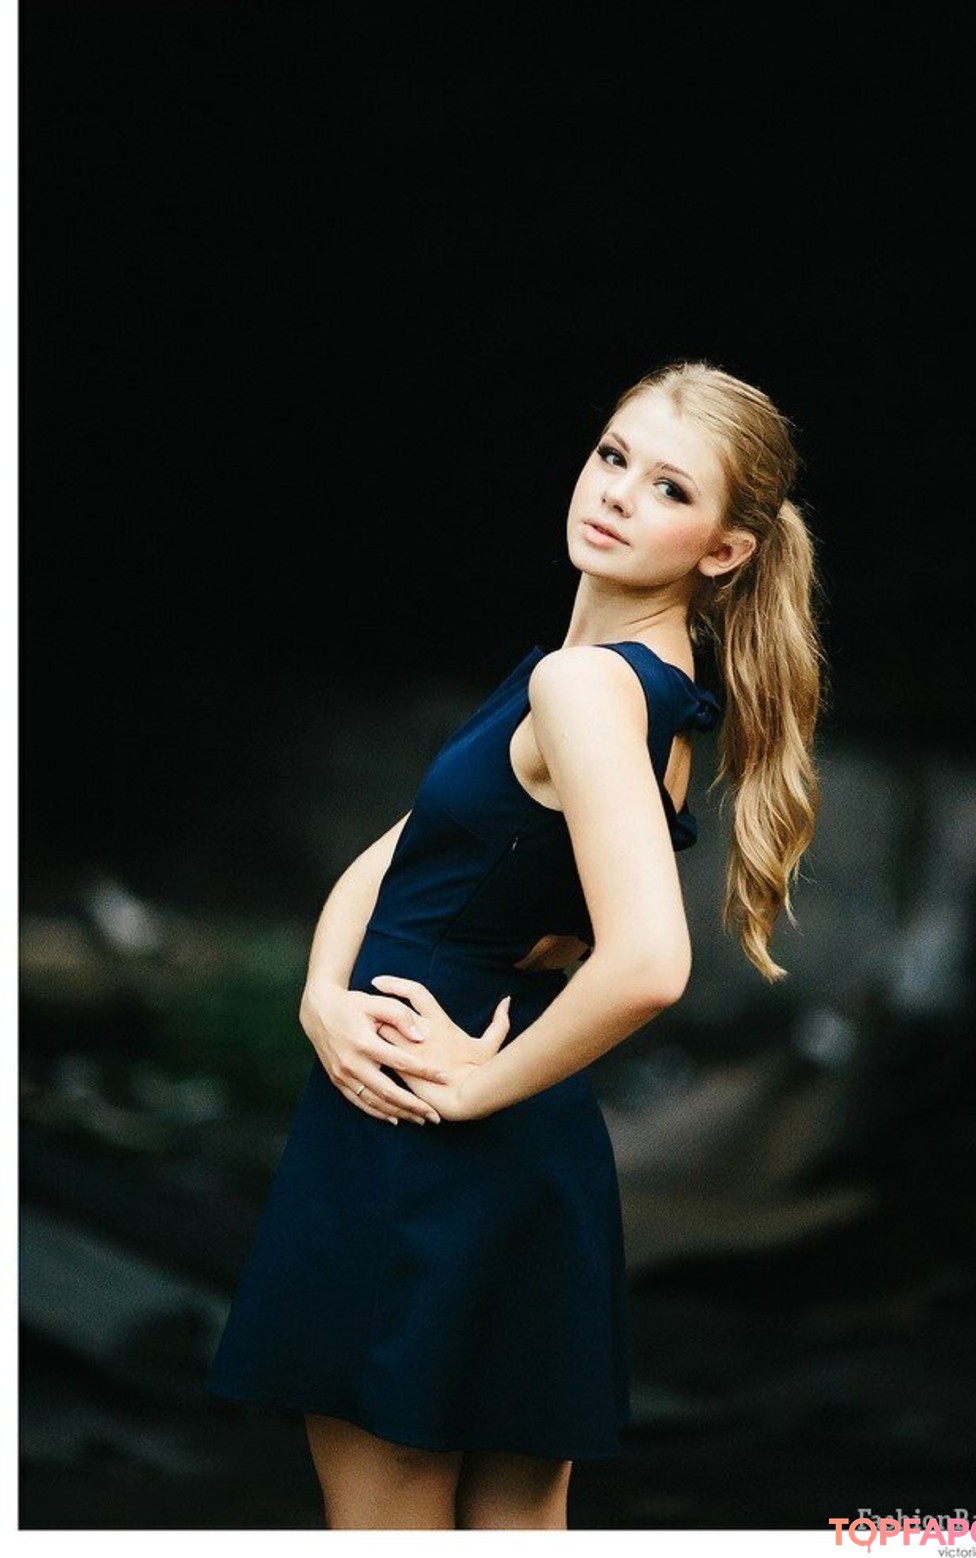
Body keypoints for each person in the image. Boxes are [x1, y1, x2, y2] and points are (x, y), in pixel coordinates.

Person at [205, 357, 826, 1529]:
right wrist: (320, 993)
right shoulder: (619, 684)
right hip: (509, 1136)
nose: (618, 493)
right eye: (613, 456)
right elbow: (394, 855)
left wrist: (470, 1088)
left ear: (726, 549)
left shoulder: (588, 690)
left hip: (422, 1126)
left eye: (669, 487)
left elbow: (650, 961)